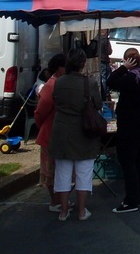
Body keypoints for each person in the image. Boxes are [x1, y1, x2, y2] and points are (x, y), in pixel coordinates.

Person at [47, 49, 101, 221]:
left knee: (62, 173)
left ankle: (63, 211)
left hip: (62, 130)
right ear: (83, 64)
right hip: (83, 131)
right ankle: (82, 210)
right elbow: (98, 104)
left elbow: (56, 101)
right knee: (83, 173)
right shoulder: (89, 83)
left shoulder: (59, 82)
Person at [106, 47, 140, 214]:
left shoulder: (131, 76)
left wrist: (122, 68)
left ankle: (131, 200)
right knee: (139, 160)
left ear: (128, 61)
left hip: (130, 124)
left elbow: (110, 82)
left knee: (128, 162)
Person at [33, 53, 67, 212]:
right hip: (50, 132)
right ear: (59, 68)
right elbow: (40, 111)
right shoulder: (51, 84)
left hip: (59, 132)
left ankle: (61, 200)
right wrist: (41, 125)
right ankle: (55, 201)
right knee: (50, 169)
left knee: (61, 169)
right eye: (65, 66)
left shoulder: (61, 82)